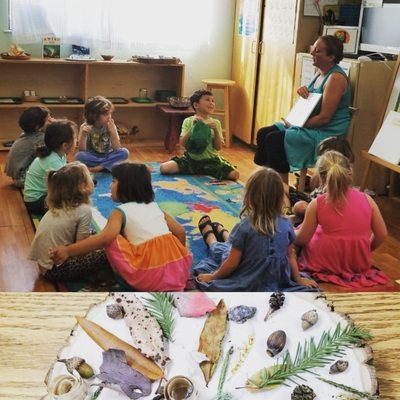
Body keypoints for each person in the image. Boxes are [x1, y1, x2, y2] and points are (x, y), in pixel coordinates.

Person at [50, 162, 192, 291]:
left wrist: (68, 251)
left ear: (126, 186)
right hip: (178, 275)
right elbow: (180, 232)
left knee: (111, 237)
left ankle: (122, 278)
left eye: (113, 181)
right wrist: (175, 262)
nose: (110, 186)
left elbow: (105, 239)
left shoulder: (119, 212)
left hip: (145, 277)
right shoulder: (156, 207)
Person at [194, 168, 318, 292]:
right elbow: (291, 256)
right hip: (275, 280)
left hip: (247, 279)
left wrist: (213, 276)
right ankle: (222, 232)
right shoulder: (287, 224)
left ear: (250, 196)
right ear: (280, 197)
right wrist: (299, 280)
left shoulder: (245, 226)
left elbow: (232, 263)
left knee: (223, 250)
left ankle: (211, 239)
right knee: (233, 248)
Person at [254, 35, 351, 184]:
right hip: (310, 125)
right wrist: (303, 91)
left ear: (331, 57)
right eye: (313, 49)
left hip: (326, 132)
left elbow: (324, 118)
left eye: (318, 51)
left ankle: (282, 193)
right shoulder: (320, 72)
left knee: (274, 140)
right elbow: (311, 103)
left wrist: (296, 125)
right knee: (263, 133)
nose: (312, 53)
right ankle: (267, 182)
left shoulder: (335, 78)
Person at [295, 151, 388, 289]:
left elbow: (302, 239)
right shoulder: (368, 200)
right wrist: (364, 249)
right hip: (357, 264)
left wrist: (288, 232)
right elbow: (382, 234)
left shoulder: (318, 203)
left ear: (321, 177)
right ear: (349, 172)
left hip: (323, 261)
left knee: (296, 234)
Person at [29, 162, 109, 281]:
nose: (93, 180)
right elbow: (81, 247)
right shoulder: (84, 210)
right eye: (90, 178)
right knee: (108, 253)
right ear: (83, 186)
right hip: (57, 270)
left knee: (92, 233)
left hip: (44, 266)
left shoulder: (58, 205)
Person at [160, 90, 239, 180]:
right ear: (196, 105)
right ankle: (198, 170)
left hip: (211, 162)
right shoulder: (188, 121)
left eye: (213, 101)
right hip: (190, 160)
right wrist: (193, 127)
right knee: (164, 168)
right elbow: (182, 143)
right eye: (207, 100)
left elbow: (218, 148)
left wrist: (216, 131)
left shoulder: (216, 123)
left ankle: (206, 169)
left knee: (235, 174)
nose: (211, 103)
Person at [292, 135, 355, 219]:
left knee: (298, 206)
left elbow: (314, 187)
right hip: (313, 202)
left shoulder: (330, 185)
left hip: (314, 208)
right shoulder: (346, 175)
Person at [23, 119, 77, 216]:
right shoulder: (52, 160)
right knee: (72, 201)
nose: (76, 140)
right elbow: (64, 185)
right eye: (75, 138)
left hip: (42, 196)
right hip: (36, 202)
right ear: (65, 145)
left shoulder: (59, 153)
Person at [75, 96, 129, 172]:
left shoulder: (111, 126)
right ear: (94, 116)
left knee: (124, 152)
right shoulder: (85, 127)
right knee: (79, 156)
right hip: (93, 156)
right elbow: (82, 150)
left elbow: (117, 148)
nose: (109, 117)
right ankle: (108, 166)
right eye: (106, 114)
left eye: (110, 113)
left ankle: (100, 167)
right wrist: (84, 136)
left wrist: (113, 132)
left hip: (109, 155)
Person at [5, 106, 53, 188]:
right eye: (48, 119)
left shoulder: (25, 134)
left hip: (17, 176)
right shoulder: (41, 138)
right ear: (38, 127)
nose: (52, 120)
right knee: (53, 155)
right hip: (23, 178)